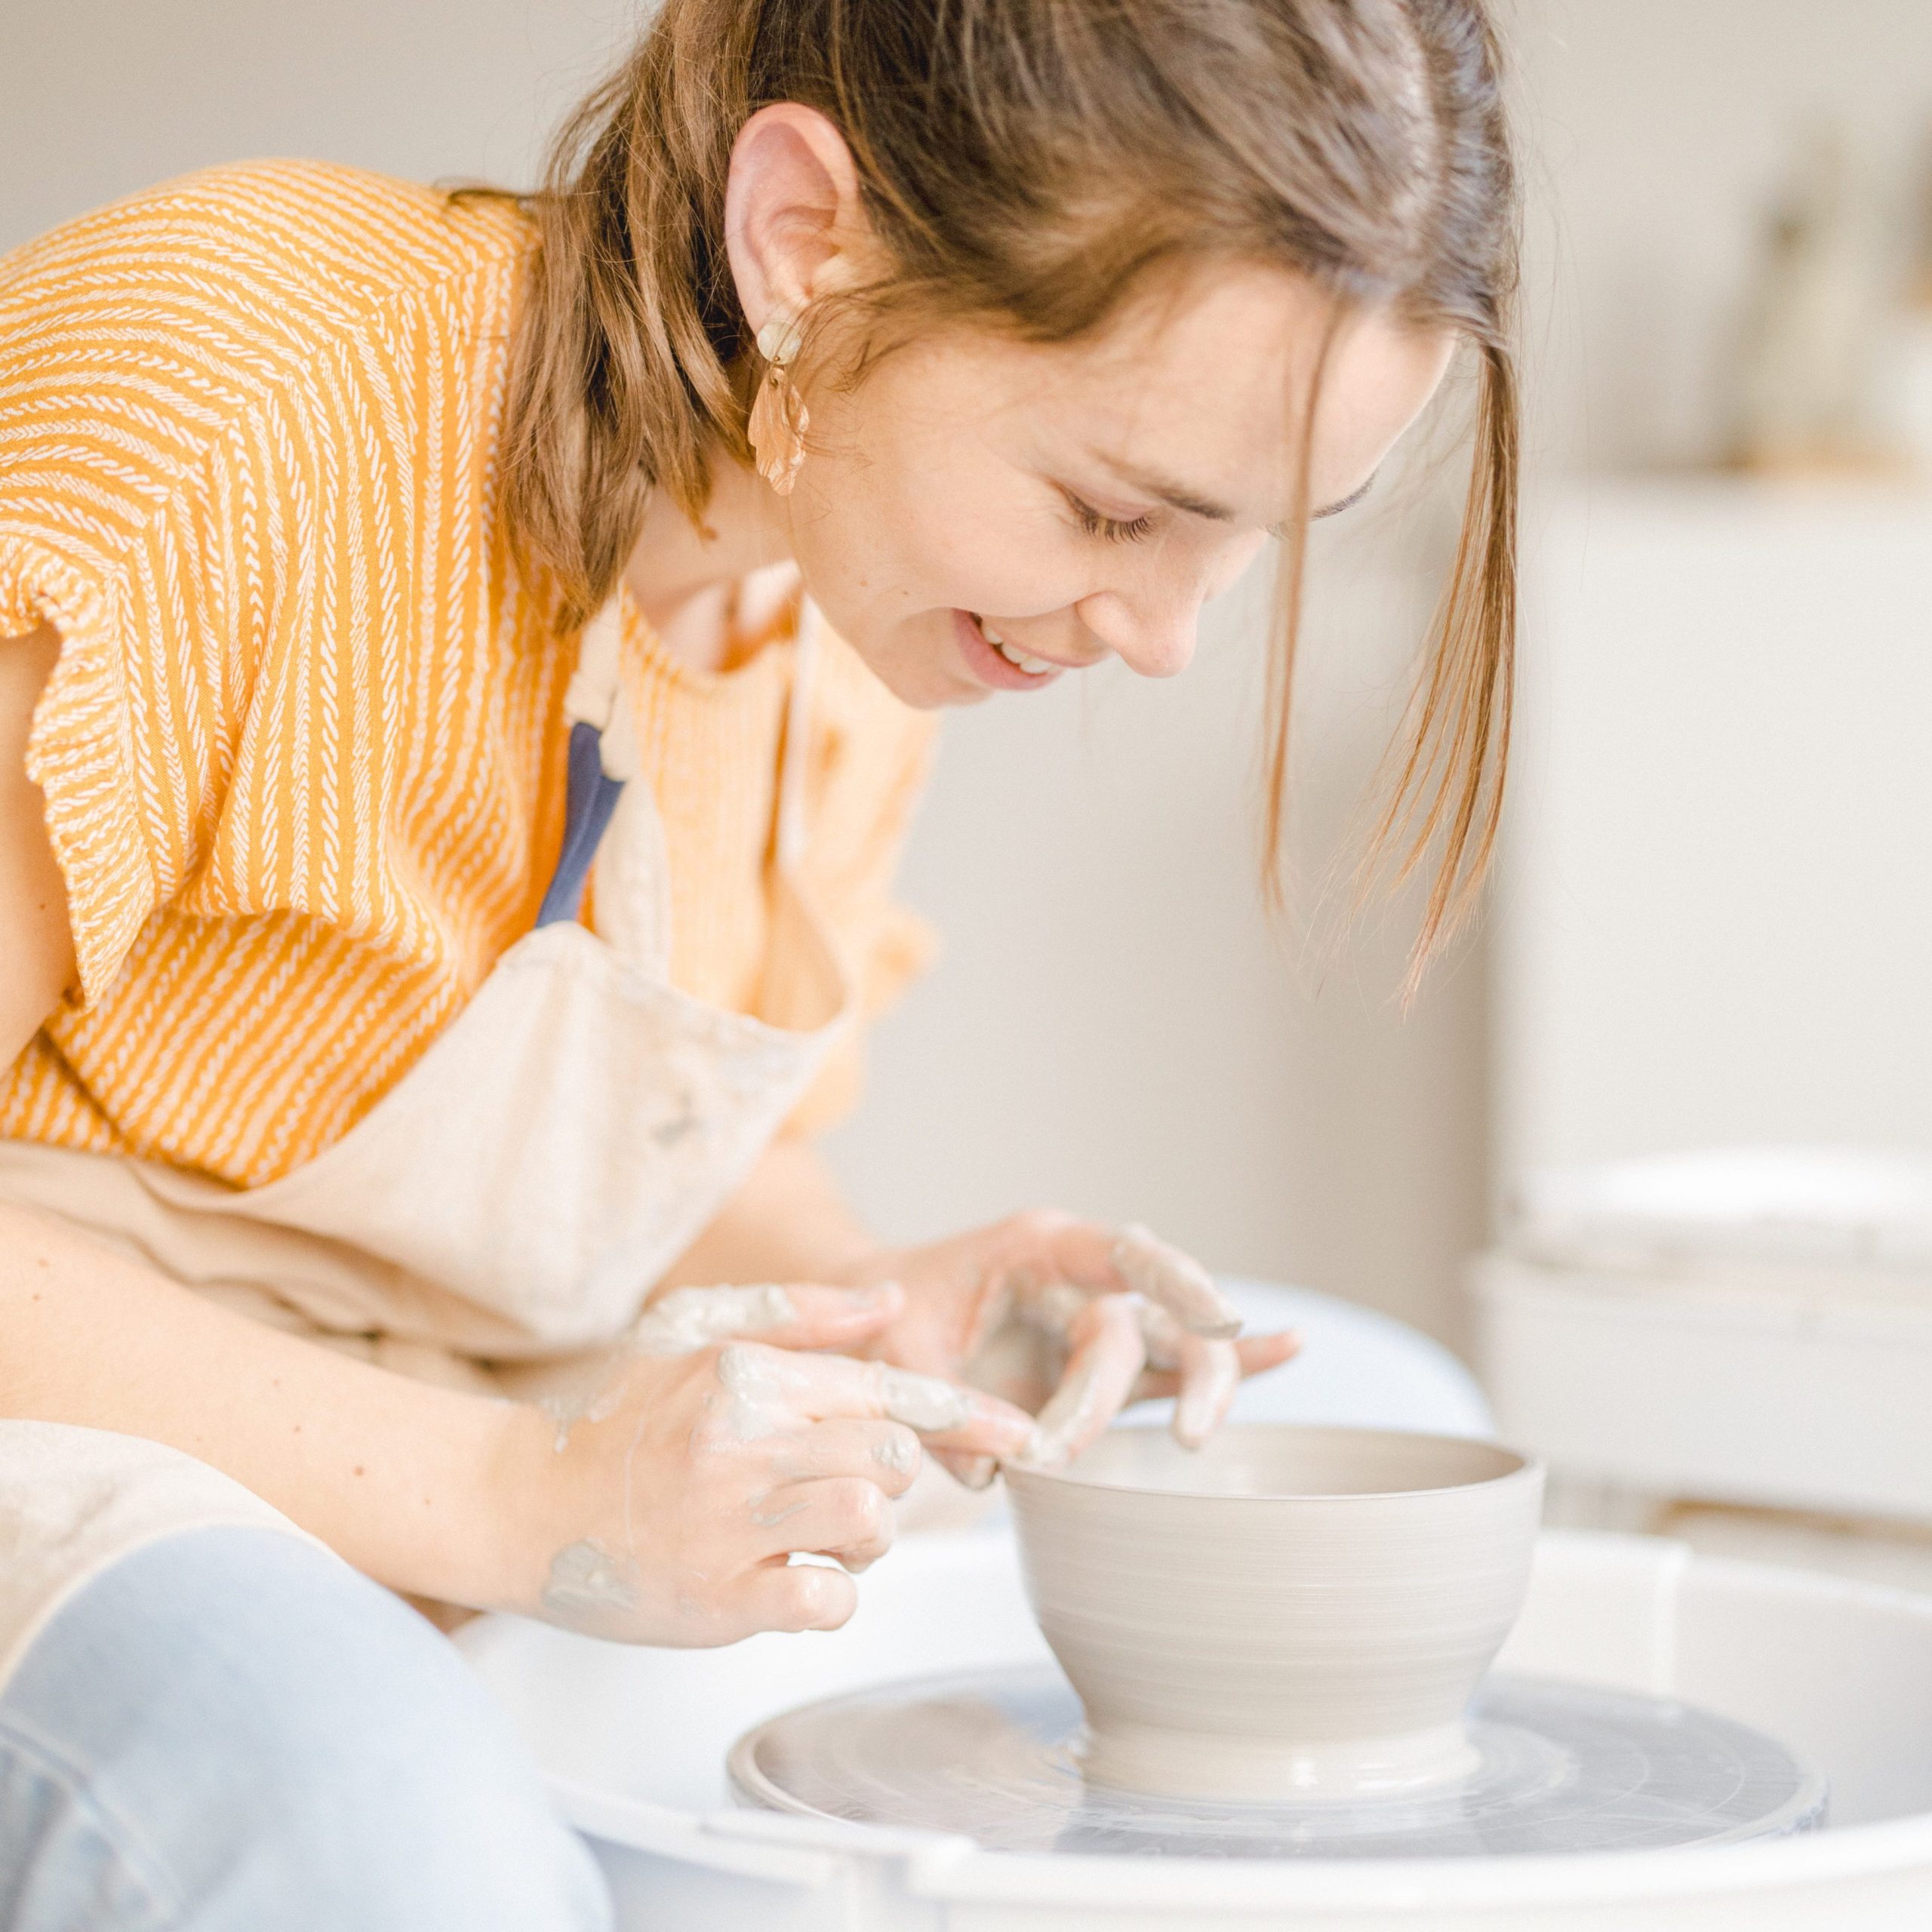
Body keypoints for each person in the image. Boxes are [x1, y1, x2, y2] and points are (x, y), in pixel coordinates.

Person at [0, 0, 1518, 1922]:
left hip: (476, 1397)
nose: (1163, 634)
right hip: (67, 1417)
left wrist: (887, 1302)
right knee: (389, 1838)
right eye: (1115, 508)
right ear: (806, 239)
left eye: (1249, 543)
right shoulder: (231, 406)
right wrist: (523, 1500)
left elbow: (643, 1162)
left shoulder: (851, 591)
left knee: (1369, 1411)